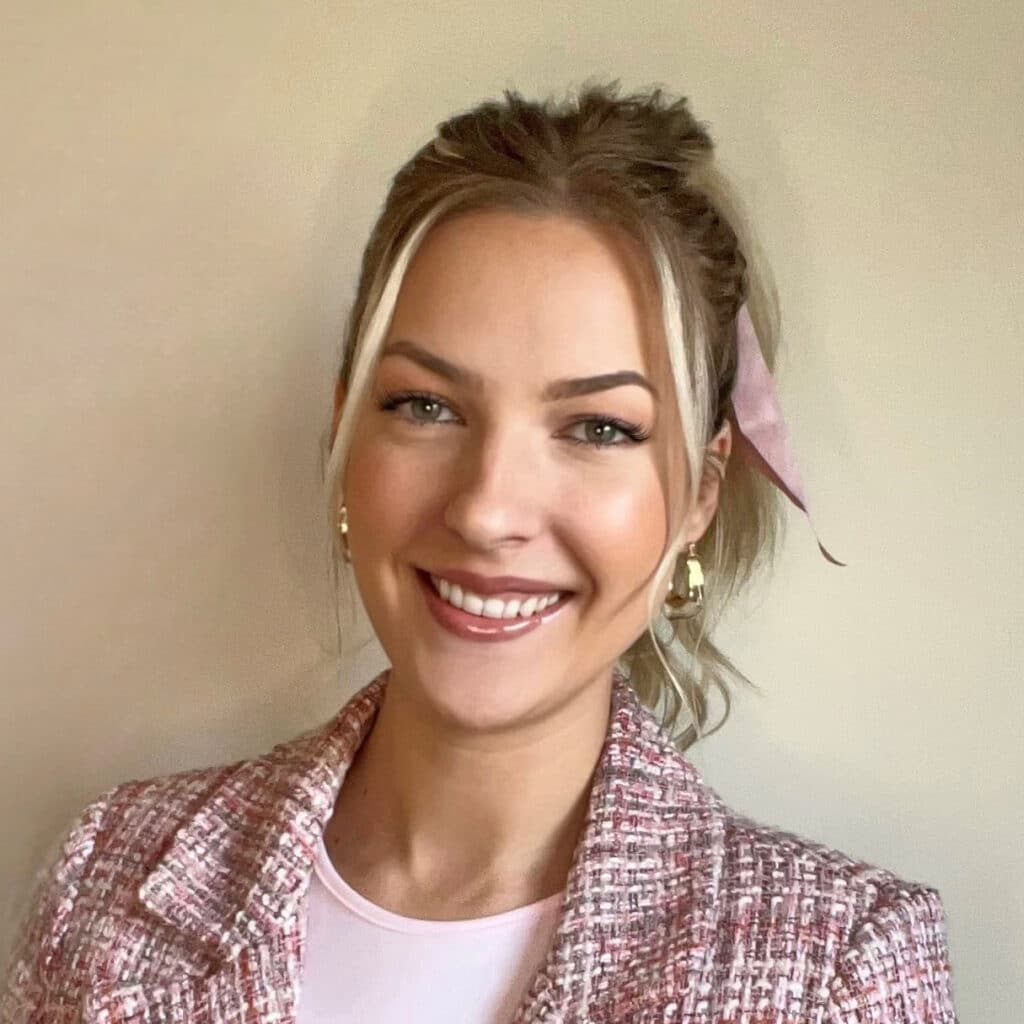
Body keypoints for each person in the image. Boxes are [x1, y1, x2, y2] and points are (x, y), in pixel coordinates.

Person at [1, 82, 957, 1023]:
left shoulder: (841, 967)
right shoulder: (107, 879)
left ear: (701, 494)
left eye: (598, 428)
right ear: (345, 438)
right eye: (426, 407)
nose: (488, 508)